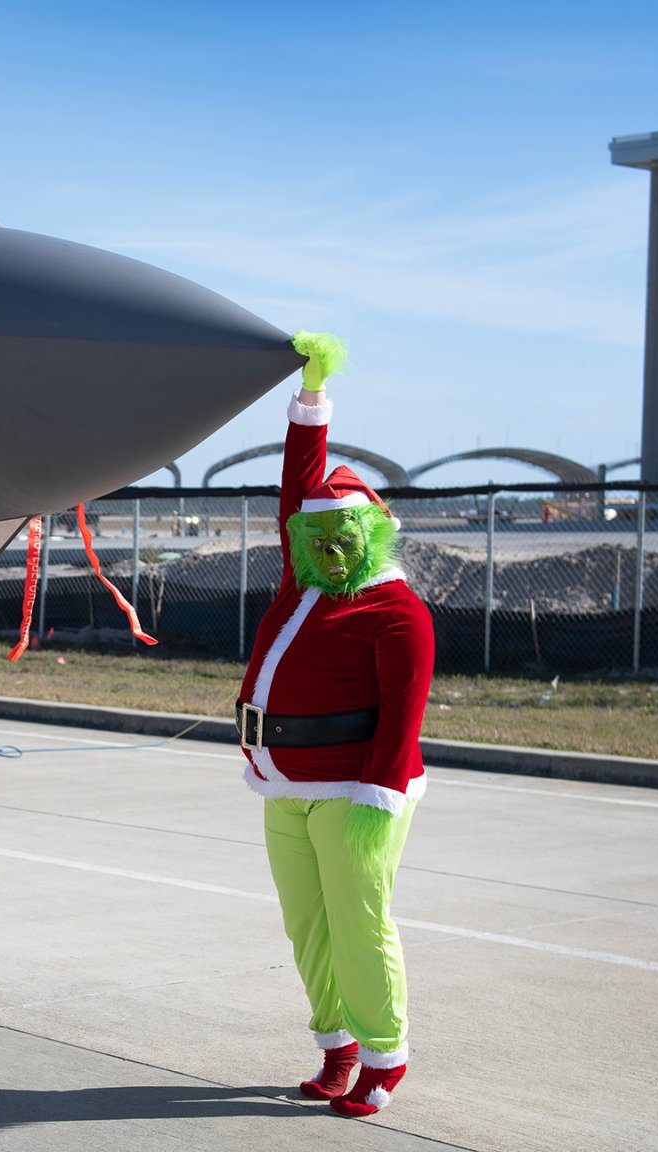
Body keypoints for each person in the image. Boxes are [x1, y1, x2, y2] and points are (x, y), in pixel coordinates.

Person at [235, 332, 433, 1117]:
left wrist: (374, 804)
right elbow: (300, 485)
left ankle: (386, 1057)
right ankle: (336, 1044)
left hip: (357, 793)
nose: (329, 546)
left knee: (360, 924)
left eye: (343, 536)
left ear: (373, 532)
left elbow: (403, 720)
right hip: (284, 784)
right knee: (308, 927)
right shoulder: (302, 574)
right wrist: (312, 397)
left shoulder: (398, 610)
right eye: (316, 536)